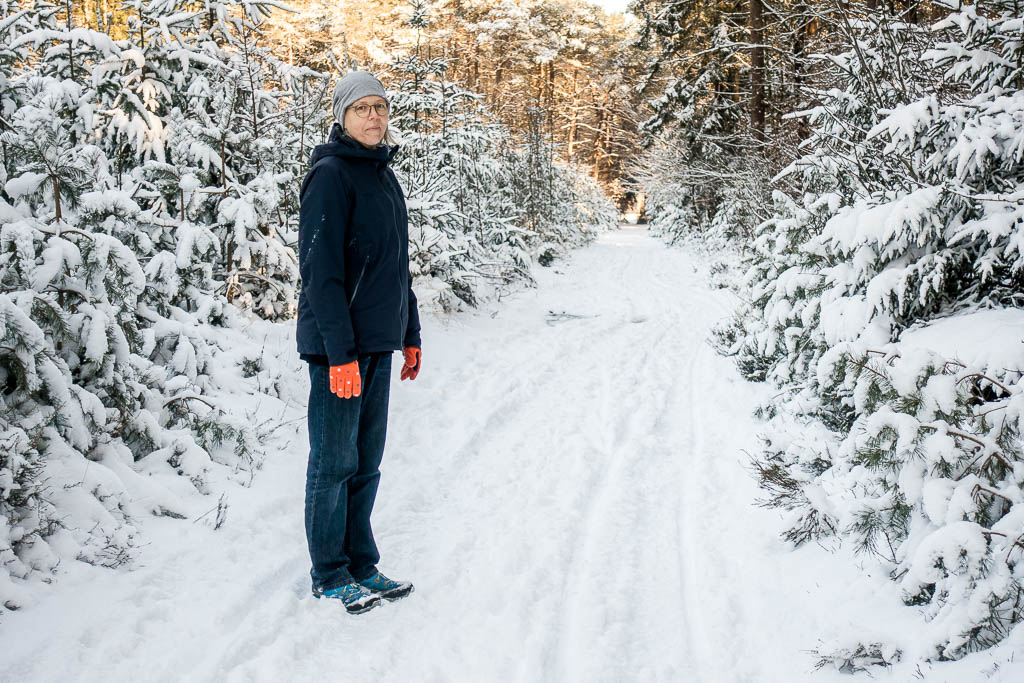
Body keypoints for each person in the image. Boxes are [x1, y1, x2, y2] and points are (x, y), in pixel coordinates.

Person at [296, 71, 422, 615]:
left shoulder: (383, 176)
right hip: (338, 350)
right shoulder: (330, 175)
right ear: (342, 115)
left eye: (380, 107)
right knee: (333, 462)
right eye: (362, 108)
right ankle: (329, 573)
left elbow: (398, 267)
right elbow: (320, 274)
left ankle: (362, 564)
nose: (374, 116)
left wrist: (409, 334)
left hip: (377, 341)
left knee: (367, 460)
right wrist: (338, 354)